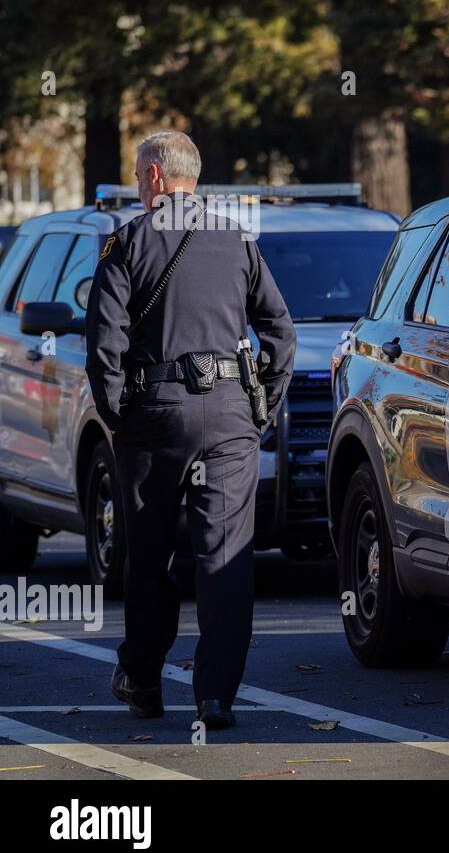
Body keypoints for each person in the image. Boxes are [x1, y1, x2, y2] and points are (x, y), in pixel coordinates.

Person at [85, 130, 296, 729]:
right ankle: (216, 696)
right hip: (230, 415)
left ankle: (144, 682)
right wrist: (263, 408)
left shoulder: (127, 242)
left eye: (135, 171)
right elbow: (280, 331)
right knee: (224, 558)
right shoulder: (237, 240)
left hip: (154, 418)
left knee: (149, 555)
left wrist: (117, 415)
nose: (134, 181)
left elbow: (104, 342)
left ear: (154, 177)